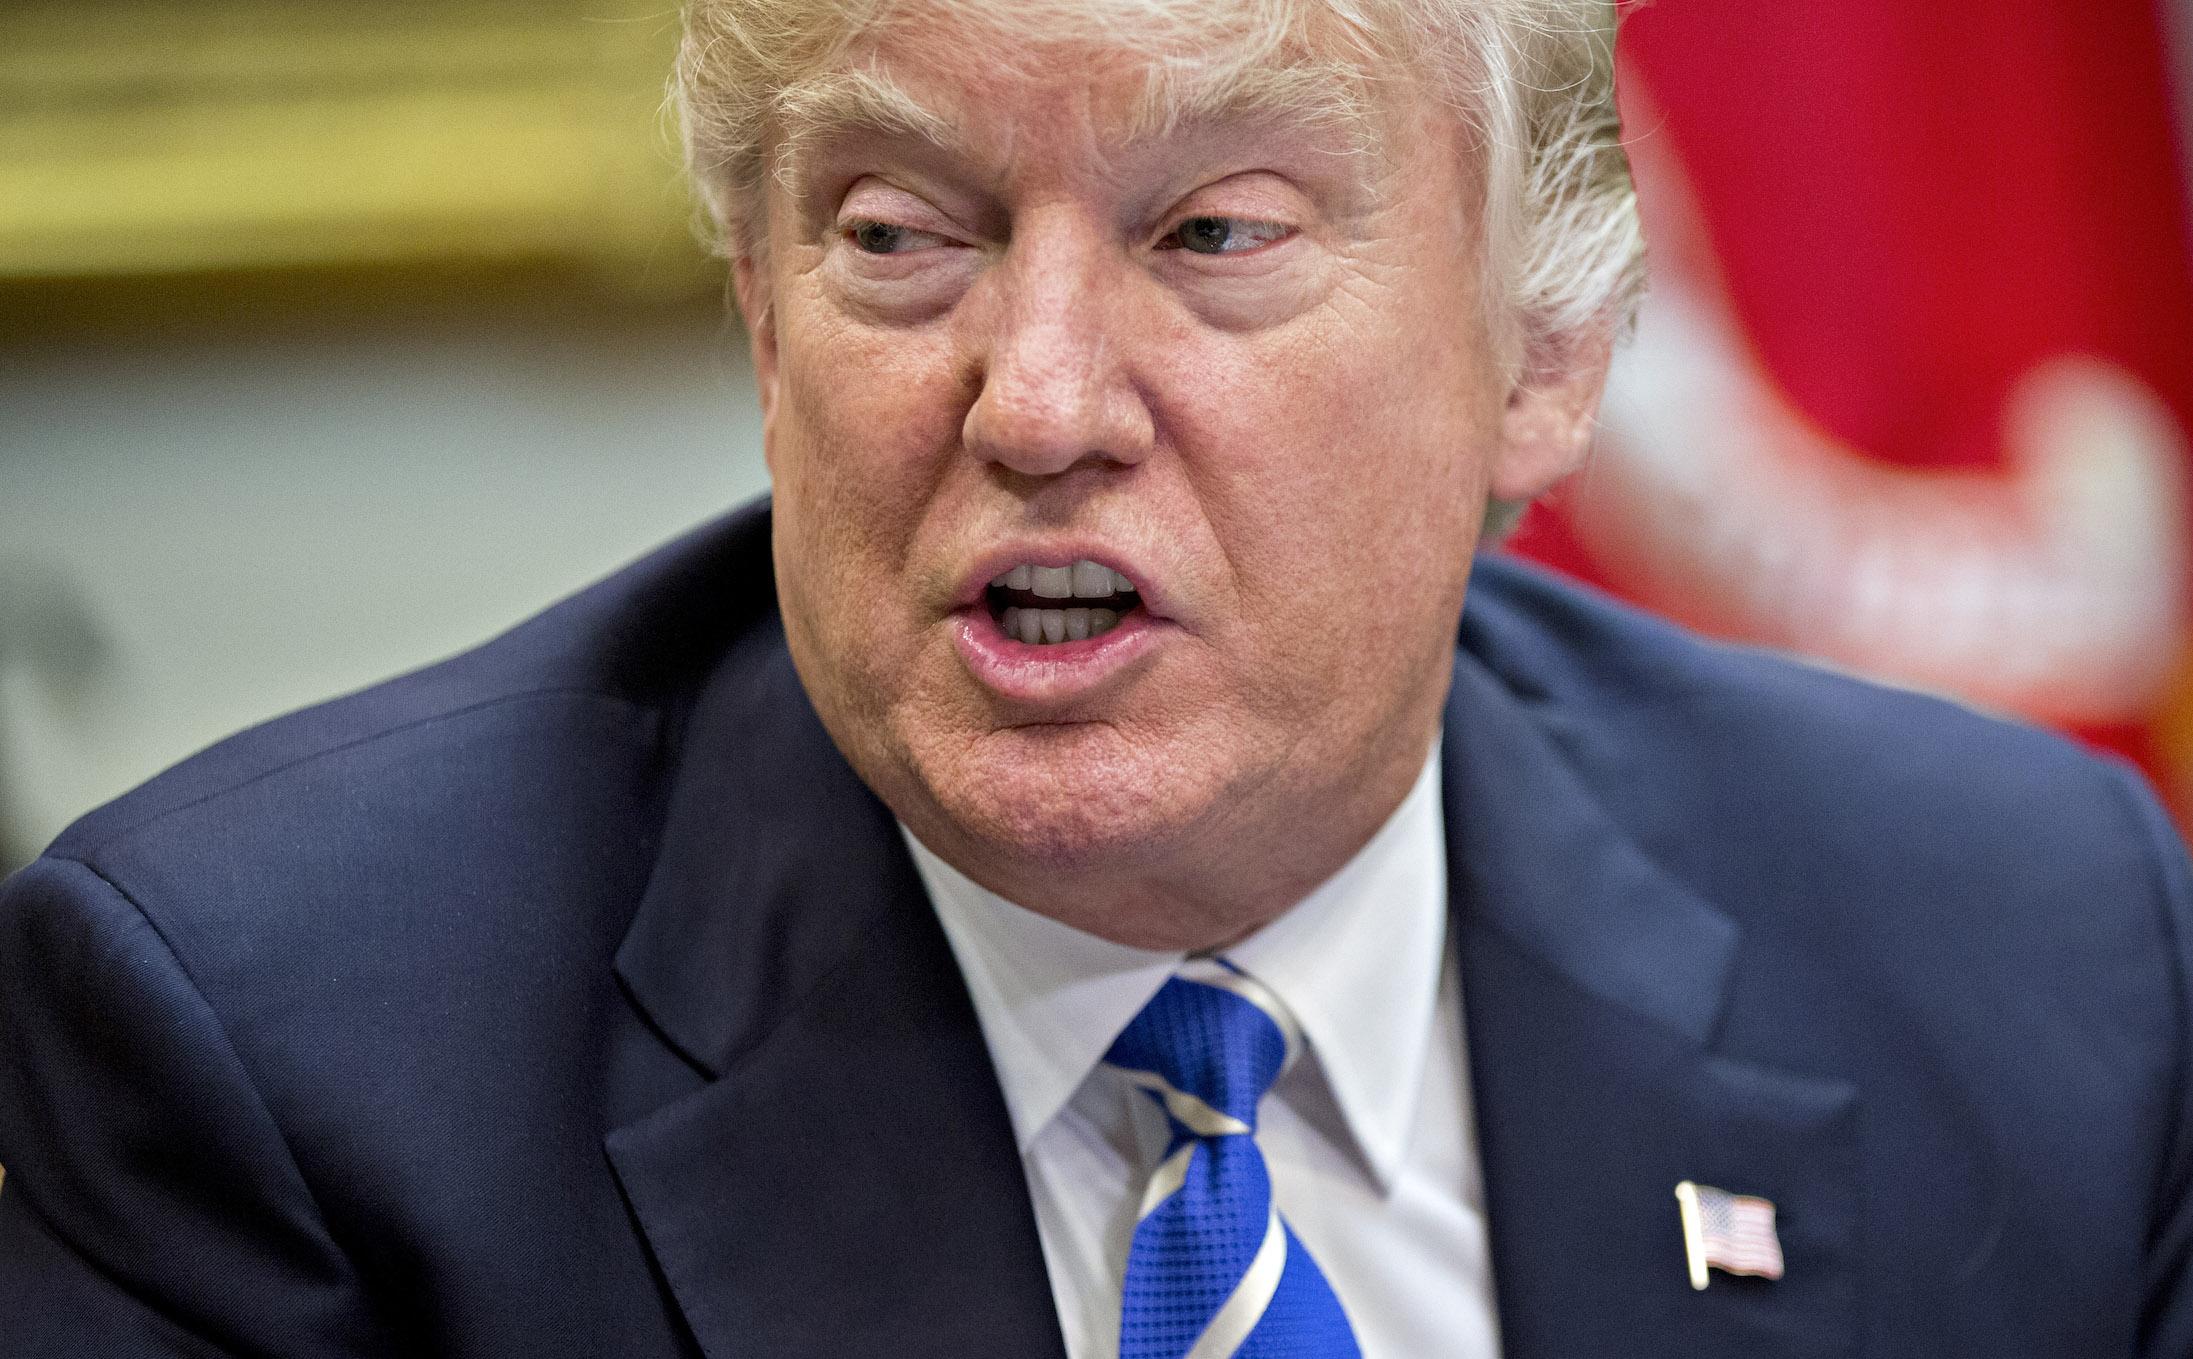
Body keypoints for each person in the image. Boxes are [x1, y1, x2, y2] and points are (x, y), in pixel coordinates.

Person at [2, 0, 2189, 1355]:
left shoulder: (2016, 948)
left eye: (1212, 232)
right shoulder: (287, 1061)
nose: (1035, 401)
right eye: (896, 233)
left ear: (1544, 355)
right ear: (766, 328)